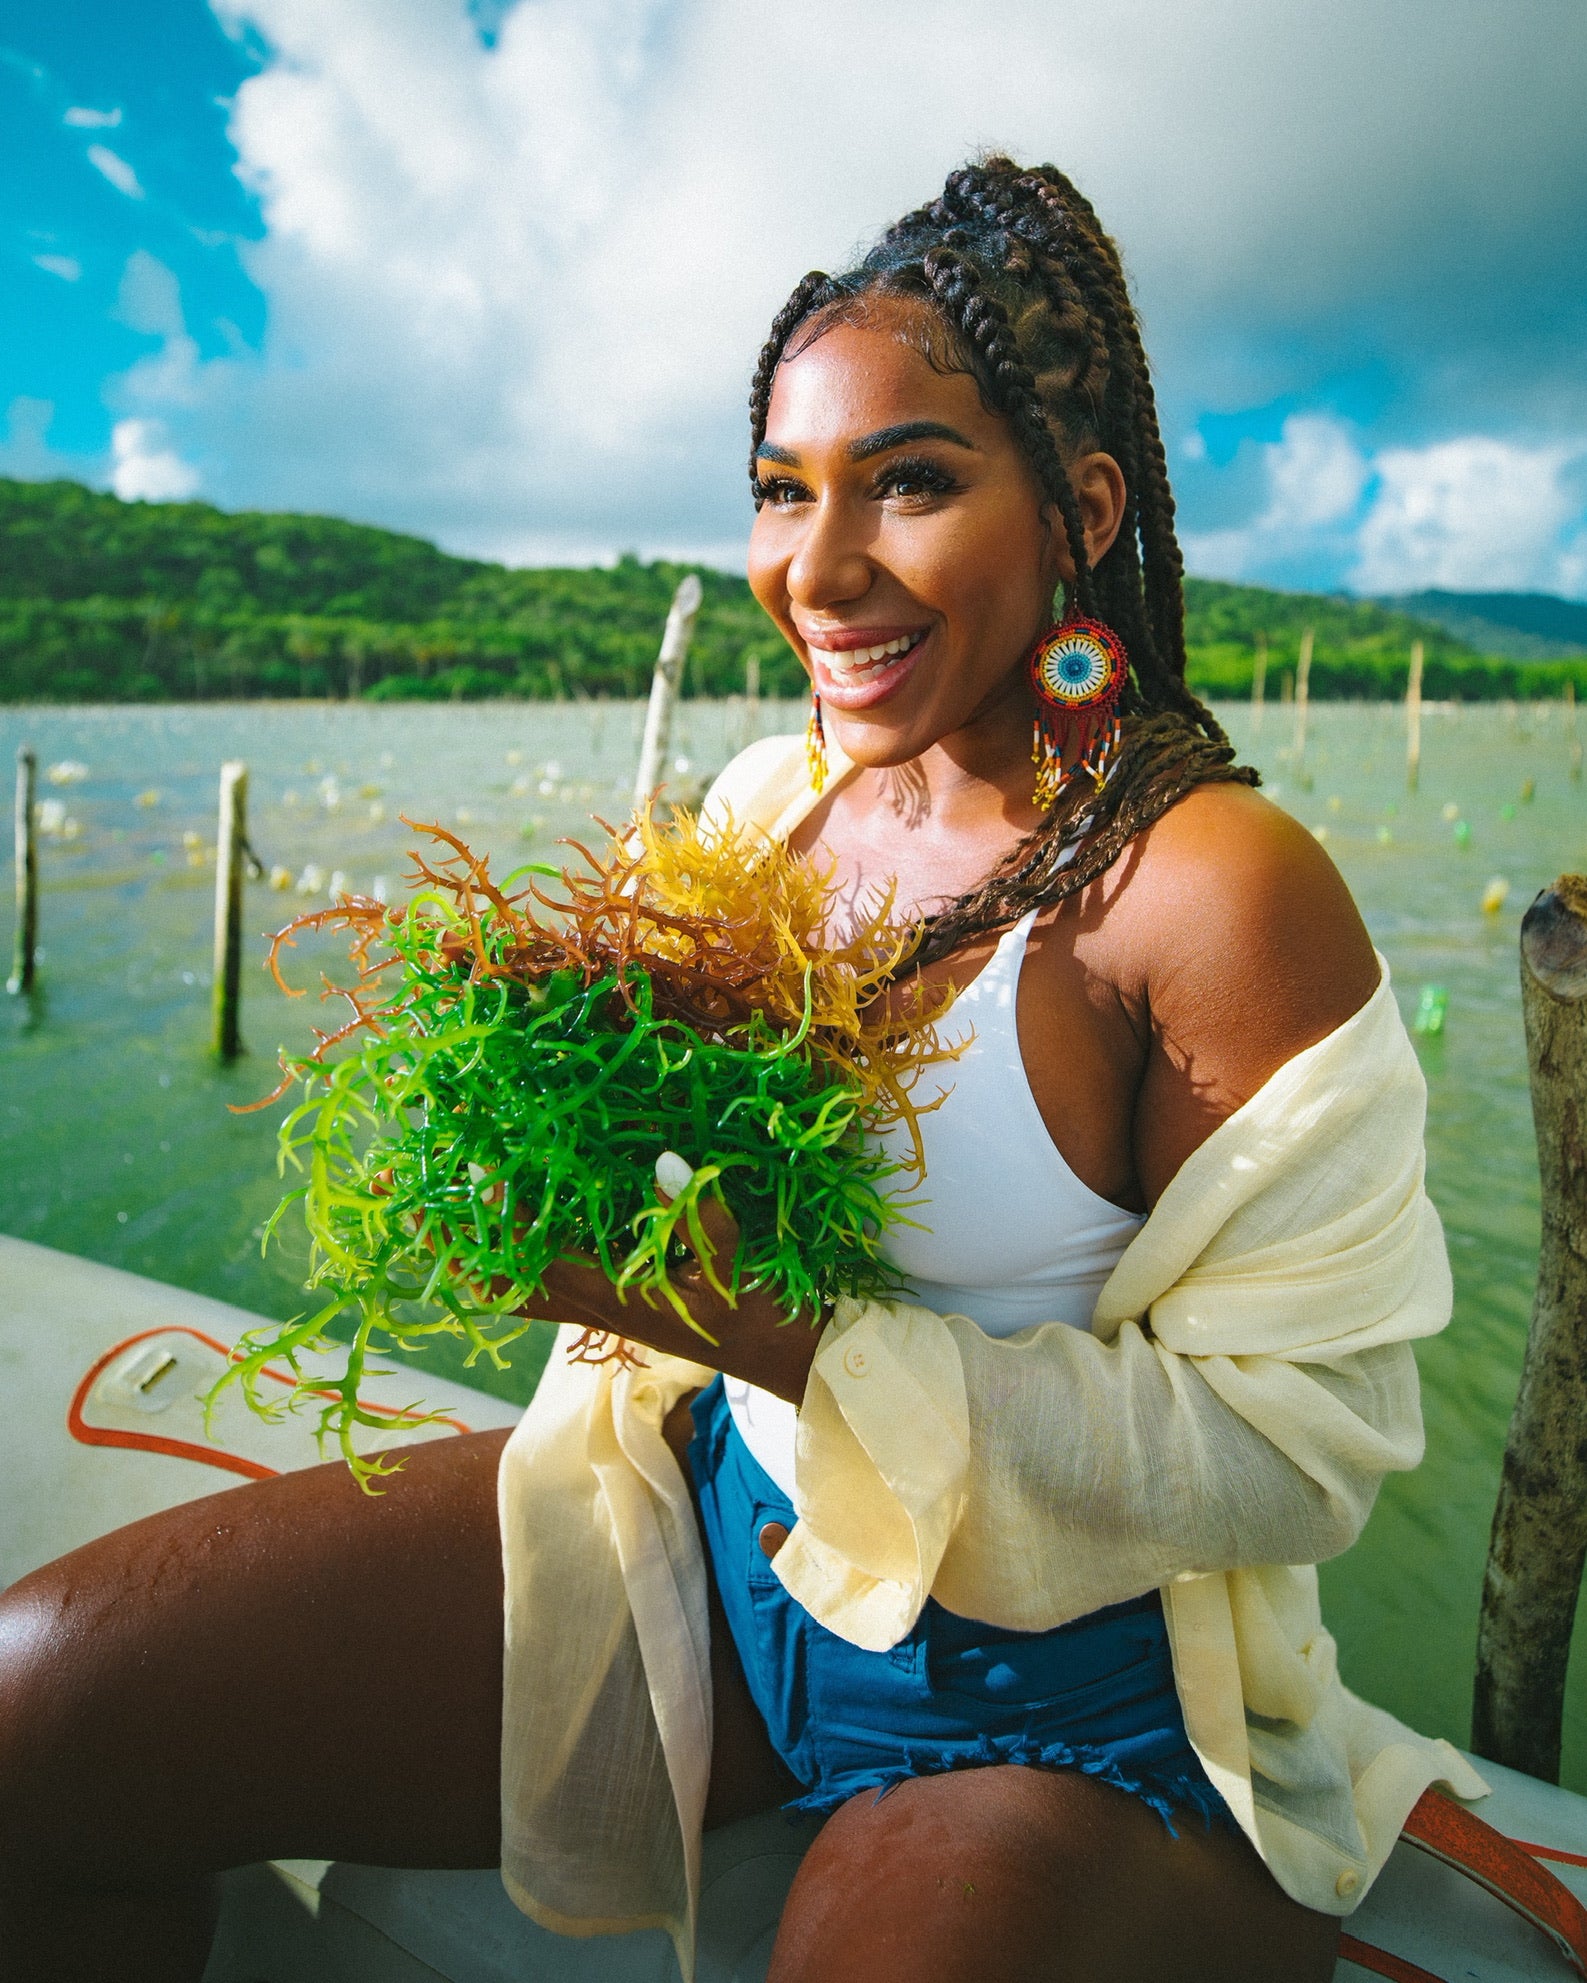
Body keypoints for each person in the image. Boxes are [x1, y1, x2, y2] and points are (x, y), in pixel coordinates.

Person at [0, 157, 1480, 1983]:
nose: (819, 565)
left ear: (1083, 509)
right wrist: (547, 1121)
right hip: (715, 1540)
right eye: (783, 490)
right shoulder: (774, 803)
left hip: (1068, 1700)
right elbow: (682, 1169)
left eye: (911, 480)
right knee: (36, 1715)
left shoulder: (1207, 893)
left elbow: (1296, 1453)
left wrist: (768, 1325)